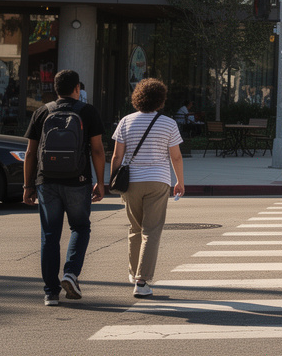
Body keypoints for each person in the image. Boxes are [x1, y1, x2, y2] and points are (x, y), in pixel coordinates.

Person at [22, 69, 106, 306]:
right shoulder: (87, 111)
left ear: (55, 89)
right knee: (80, 227)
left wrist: (28, 186)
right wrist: (100, 182)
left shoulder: (42, 112)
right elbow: (98, 150)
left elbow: (30, 152)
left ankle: (50, 292)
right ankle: (70, 273)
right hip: (78, 181)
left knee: (49, 235)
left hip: (46, 181)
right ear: (77, 88)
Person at [110, 78, 185, 299]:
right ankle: (142, 282)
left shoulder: (126, 121)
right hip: (158, 181)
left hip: (131, 182)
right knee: (151, 231)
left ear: (138, 97)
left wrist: (112, 179)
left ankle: (135, 275)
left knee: (135, 228)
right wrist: (179, 181)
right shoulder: (169, 123)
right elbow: (176, 156)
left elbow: (116, 155)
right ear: (160, 100)